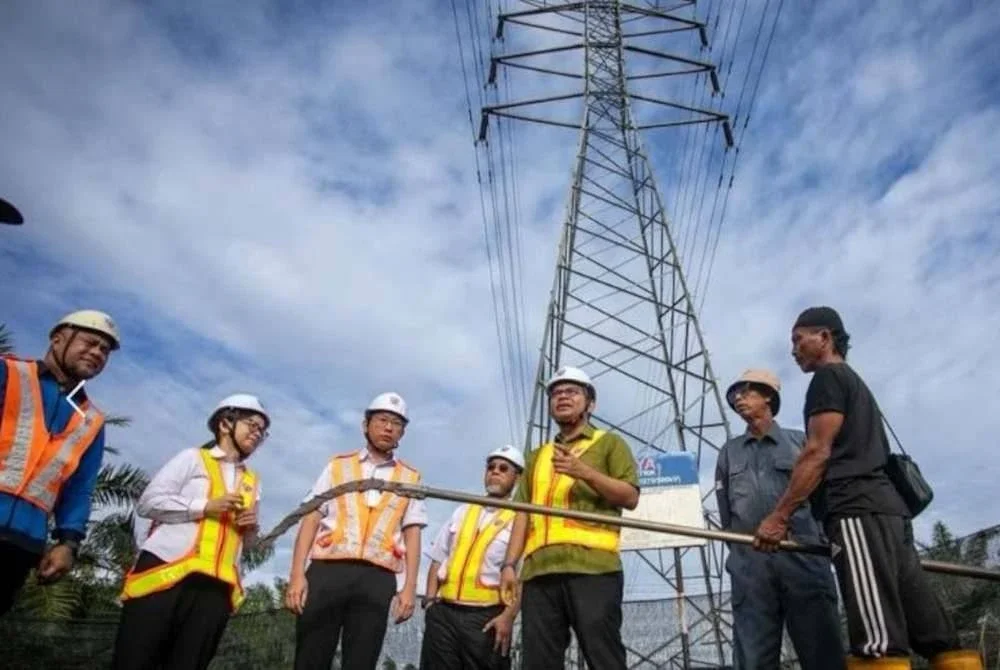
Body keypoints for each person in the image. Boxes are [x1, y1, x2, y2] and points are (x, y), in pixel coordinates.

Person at [754, 307, 982, 670]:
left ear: (825, 338)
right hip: (891, 513)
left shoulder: (827, 379)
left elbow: (816, 452)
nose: (793, 350)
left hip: (856, 508)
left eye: (799, 340)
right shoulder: (855, 382)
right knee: (934, 632)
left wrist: (779, 516)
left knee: (877, 641)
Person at [111, 394, 270, 670]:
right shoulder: (192, 459)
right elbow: (149, 503)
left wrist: (251, 529)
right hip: (165, 574)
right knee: (135, 660)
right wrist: (205, 506)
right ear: (225, 423)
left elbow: (249, 544)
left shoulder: (252, 482)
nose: (257, 434)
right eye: (252, 425)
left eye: (262, 431)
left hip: (216, 590)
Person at [499, 366, 639, 670]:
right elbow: (523, 512)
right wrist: (510, 565)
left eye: (572, 391)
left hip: (593, 568)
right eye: (556, 393)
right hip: (539, 573)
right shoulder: (537, 456)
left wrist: (583, 472)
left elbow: (630, 497)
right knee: (538, 662)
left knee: (603, 657)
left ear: (591, 404)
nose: (562, 397)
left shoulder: (609, 444)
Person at [286, 392, 427, 670]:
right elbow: (311, 519)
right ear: (366, 425)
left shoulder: (411, 478)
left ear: (402, 432)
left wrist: (409, 588)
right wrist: (296, 575)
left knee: (362, 658)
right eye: (383, 420)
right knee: (311, 655)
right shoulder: (338, 466)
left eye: (397, 424)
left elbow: (413, 533)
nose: (389, 427)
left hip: (377, 577)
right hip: (328, 570)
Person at [717, 368, 844, 670]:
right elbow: (726, 514)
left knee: (822, 654)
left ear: (768, 397)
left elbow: (827, 501)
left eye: (747, 392)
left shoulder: (802, 443)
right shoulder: (729, 452)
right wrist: (740, 558)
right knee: (753, 659)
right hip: (751, 567)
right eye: (735, 394)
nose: (738, 399)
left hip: (803, 559)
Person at [0, 310, 120, 616]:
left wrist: (68, 543)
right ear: (58, 339)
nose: (97, 353)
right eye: (90, 343)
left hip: (21, 543)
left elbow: (80, 488)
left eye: (104, 351)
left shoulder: (91, 420)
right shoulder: (9, 373)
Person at [420, 445, 524, 670]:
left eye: (503, 468)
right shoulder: (464, 510)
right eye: (491, 467)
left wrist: (509, 616)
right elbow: (438, 557)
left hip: (487, 618)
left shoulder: (520, 520)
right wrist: (430, 602)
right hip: (444, 613)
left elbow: (525, 576)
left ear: (517, 478)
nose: (495, 472)